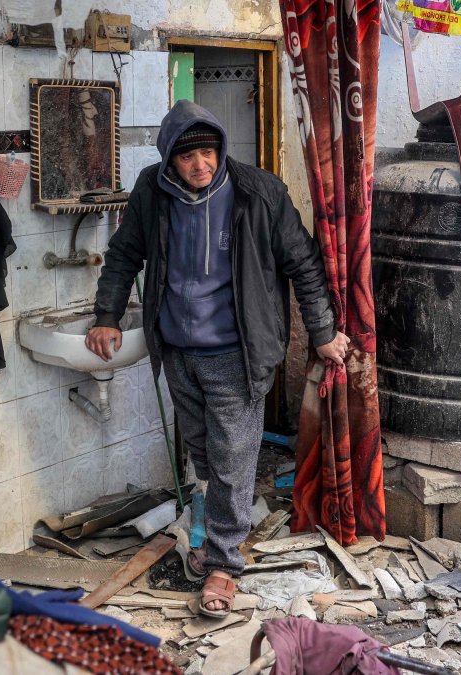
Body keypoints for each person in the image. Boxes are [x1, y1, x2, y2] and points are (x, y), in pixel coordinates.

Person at [86, 100, 349, 616]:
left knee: (231, 460)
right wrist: (106, 315)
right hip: (177, 350)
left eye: (208, 152)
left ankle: (224, 565)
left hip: (237, 351)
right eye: (188, 157)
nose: (201, 164)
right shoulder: (152, 192)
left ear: (221, 149)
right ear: (169, 160)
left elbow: (304, 262)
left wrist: (322, 330)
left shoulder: (258, 192)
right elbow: (124, 254)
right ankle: (215, 529)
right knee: (206, 453)